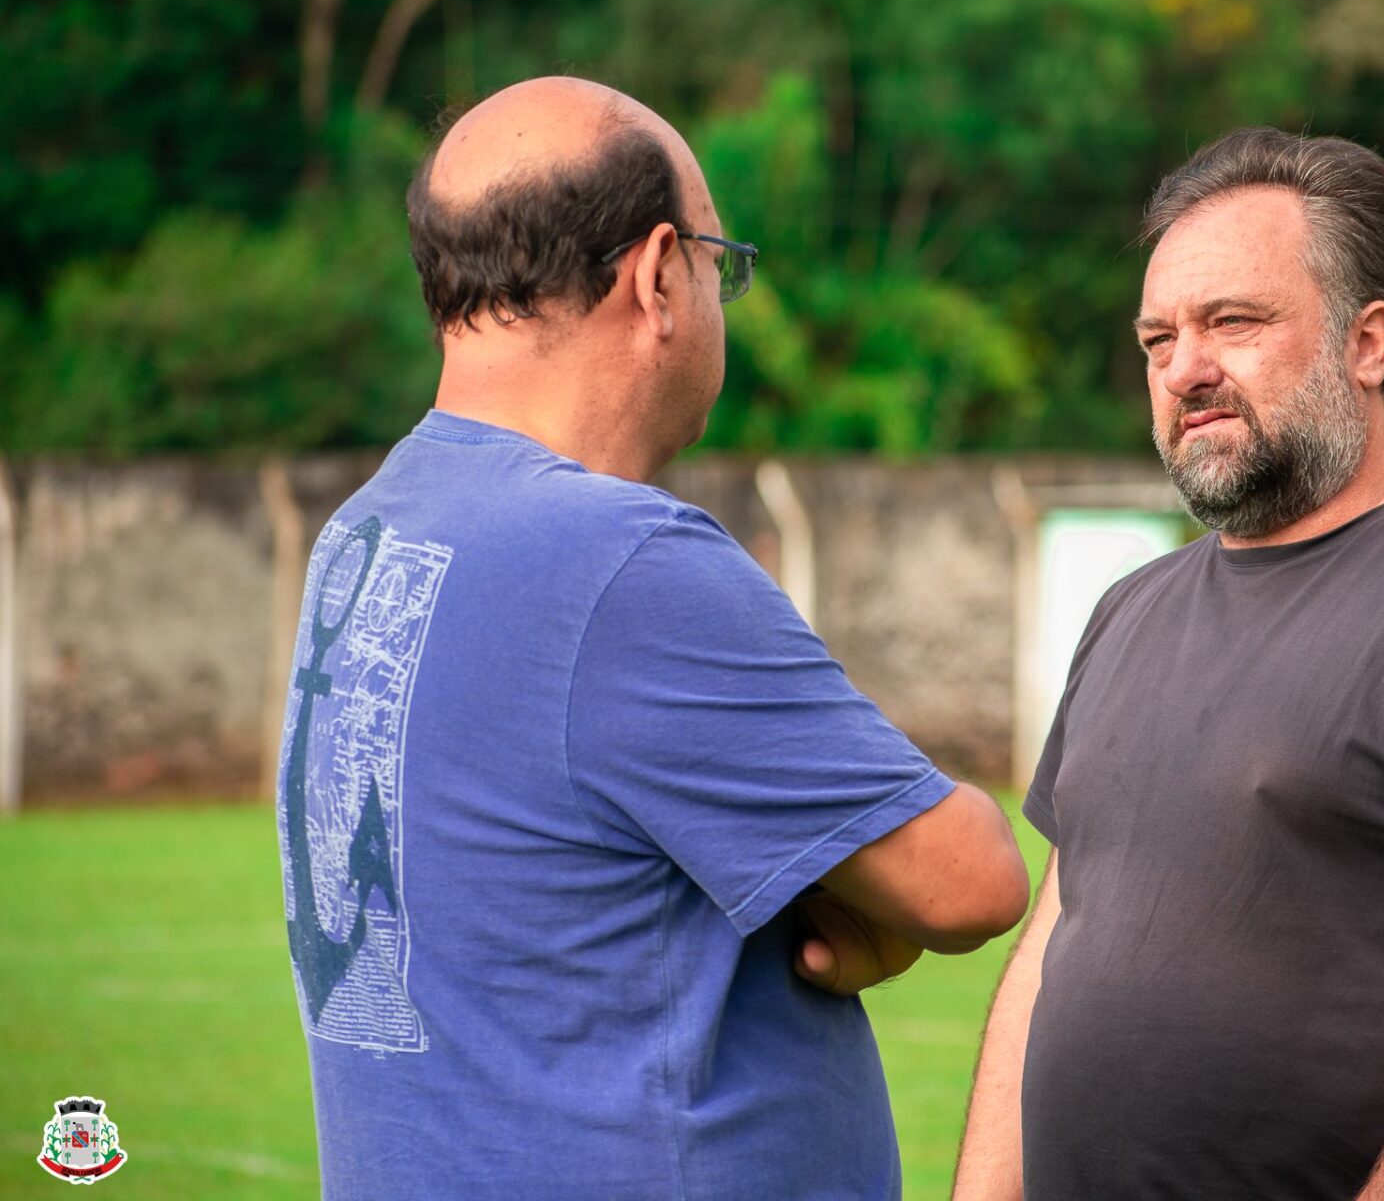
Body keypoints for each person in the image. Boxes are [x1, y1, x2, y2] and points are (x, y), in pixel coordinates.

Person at [273, 76, 1030, 1201]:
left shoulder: (370, 530)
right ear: (660, 273)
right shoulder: (617, 558)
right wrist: (878, 912)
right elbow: (971, 879)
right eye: (721, 260)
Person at [954, 129, 1384, 1201]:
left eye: (1234, 320)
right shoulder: (1128, 613)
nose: (1187, 368)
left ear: (1369, 342)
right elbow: (1051, 950)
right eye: (1157, 338)